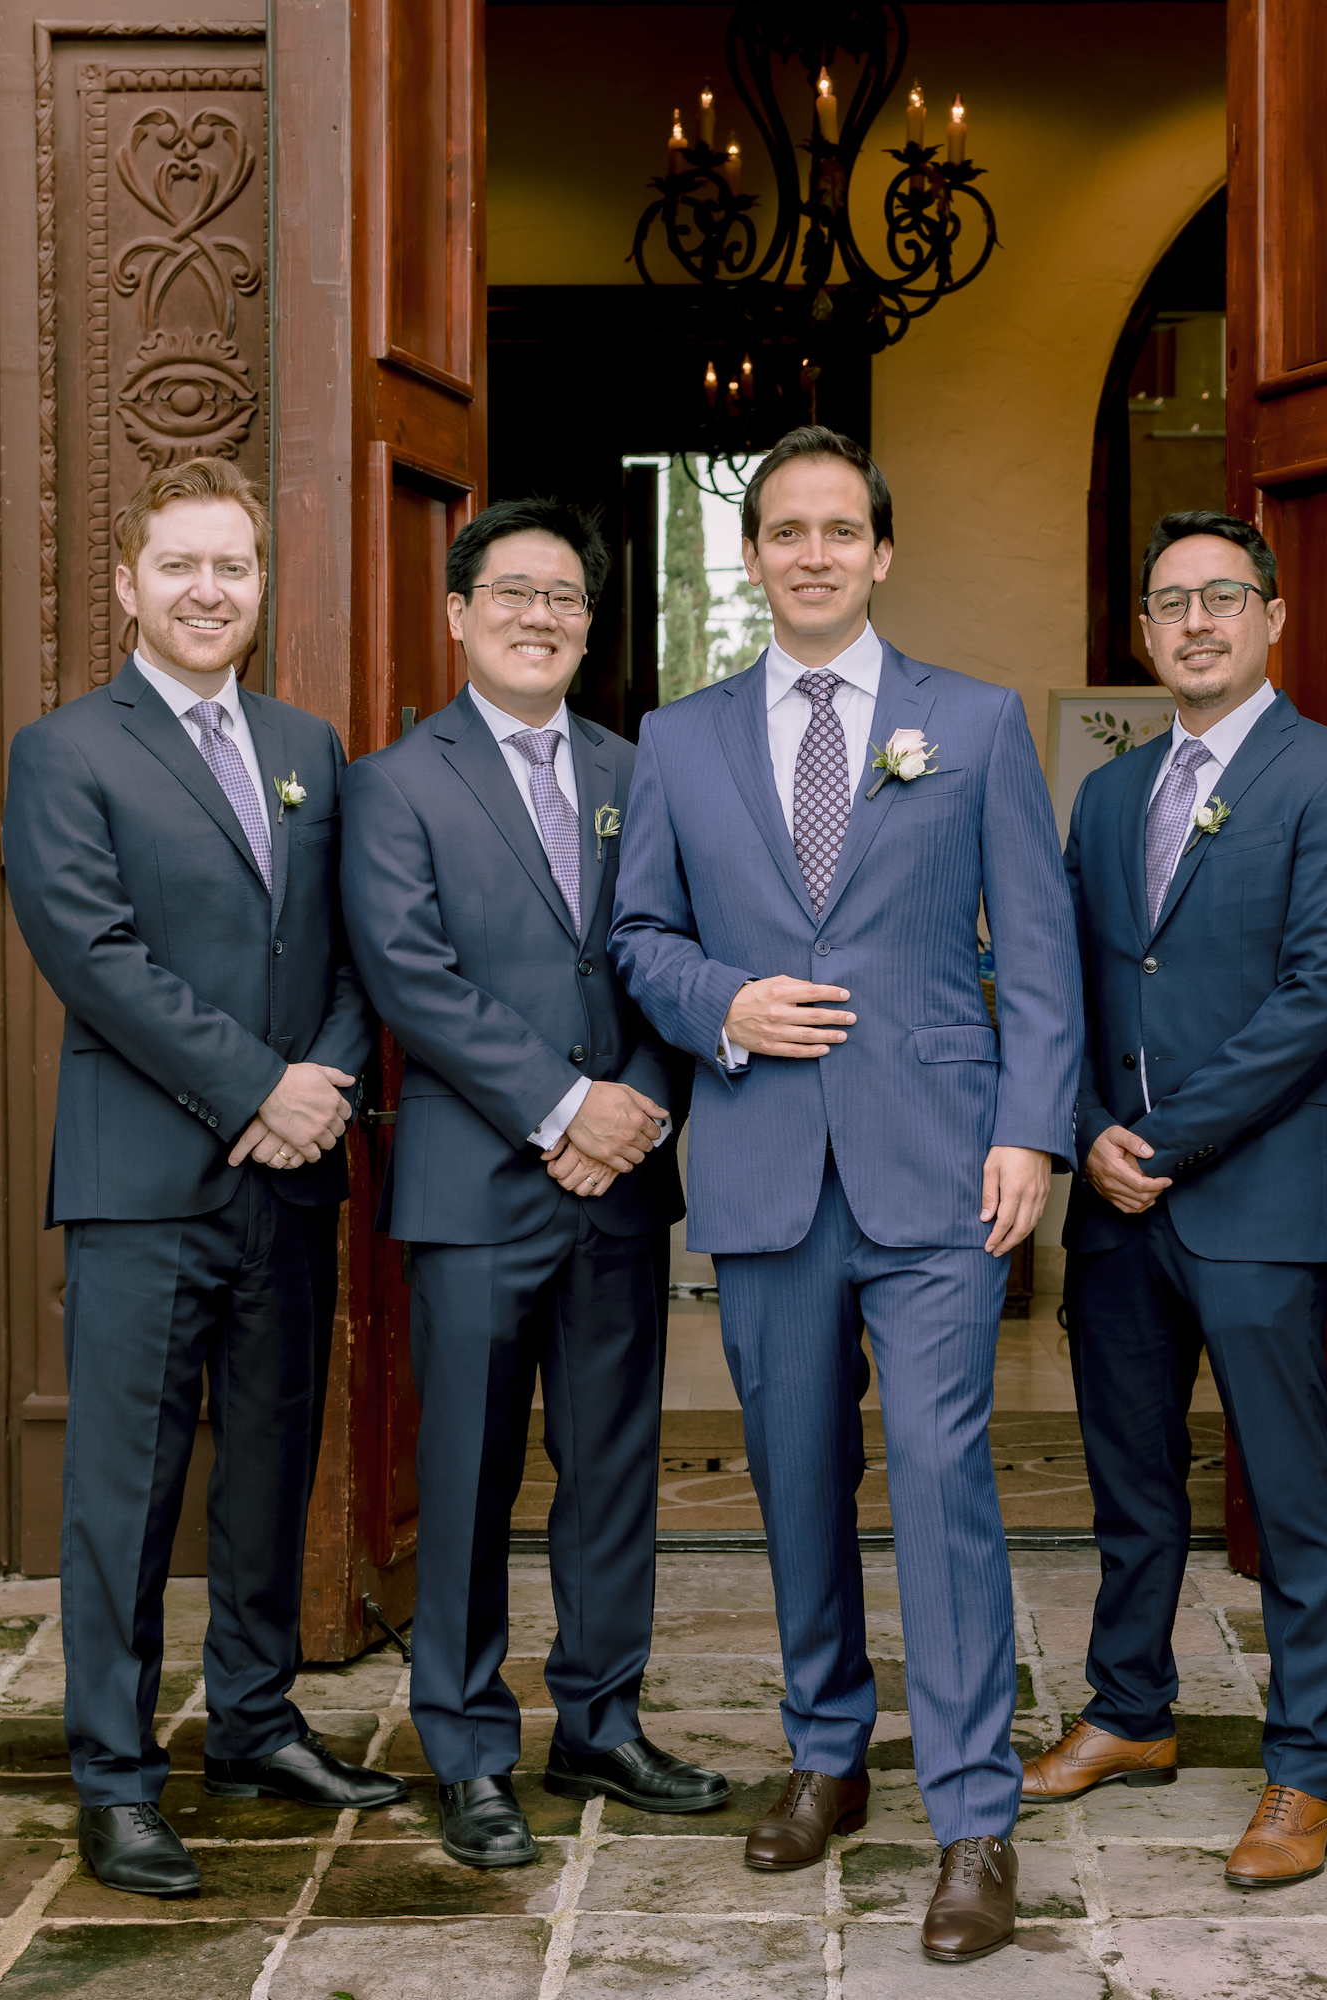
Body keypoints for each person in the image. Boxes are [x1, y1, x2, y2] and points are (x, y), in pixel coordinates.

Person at [610, 426, 1081, 1964]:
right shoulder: (678, 741)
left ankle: (971, 1815)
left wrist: (1033, 1133)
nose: (812, 553)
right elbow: (640, 938)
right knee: (793, 1470)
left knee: (944, 1475)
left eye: (840, 531)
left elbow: (1043, 946)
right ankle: (827, 1752)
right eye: (785, 531)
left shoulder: (979, 723)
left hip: (940, 1161)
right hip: (760, 1164)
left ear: (881, 555)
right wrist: (723, 1005)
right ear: (754, 561)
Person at [1, 454, 409, 1900]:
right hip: (144, 1185)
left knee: (271, 1475)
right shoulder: (66, 752)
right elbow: (92, 956)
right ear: (128, 582)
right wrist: (256, 1090)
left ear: (259, 585)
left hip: (289, 1182)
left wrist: (321, 1096)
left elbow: (360, 952)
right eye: (179, 564)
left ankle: (252, 1723)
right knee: (126, 1492)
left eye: (231, 566)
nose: (206, 589)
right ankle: (114, 1776)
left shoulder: (311, 745)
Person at [337, 497, 727, 1870]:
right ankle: (466, 1747)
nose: (540, 615)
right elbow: (408, 974)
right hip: (474, 1187)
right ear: (457, 614)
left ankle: (603, 1723)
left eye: (566, 595)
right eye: (512, 592)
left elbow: (674, 951)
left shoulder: (642, 769)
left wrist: (640, 1107)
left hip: (618, 1187)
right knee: (469, 1476)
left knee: (614, 1468)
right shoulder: (395, 782)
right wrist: (565, 1106)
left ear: (590, 621)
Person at [1029, 511, 1327, 1889]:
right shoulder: (1113, 794)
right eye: (1171, 602)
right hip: (1118, 1205)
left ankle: (1305, 1771)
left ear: (1272, 617)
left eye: (1223, 599)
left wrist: (1160, 1135)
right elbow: (1061, 985)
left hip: (1254, 1195)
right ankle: (1131, 1712)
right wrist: (1084, 1133)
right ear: (1142, 630)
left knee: (1293, 1497)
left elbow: (1326, 995)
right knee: (1130, 1486)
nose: (1196, 623)